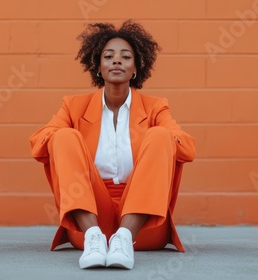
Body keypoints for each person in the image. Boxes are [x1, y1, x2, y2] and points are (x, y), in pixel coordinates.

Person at [29, 20, 196, 269]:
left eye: (125, 57)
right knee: (64, 135)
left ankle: (123, 239)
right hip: (89, 222)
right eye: (109, 56)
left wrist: (162, 141)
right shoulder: (74, 106)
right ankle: (95, 239)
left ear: (136, 69)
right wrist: (61, 141)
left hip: (144, 229)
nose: (117, 61)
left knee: (161, 135)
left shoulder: (155, 107)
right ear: (98, 67)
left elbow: (188, 149)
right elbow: (39, 143)